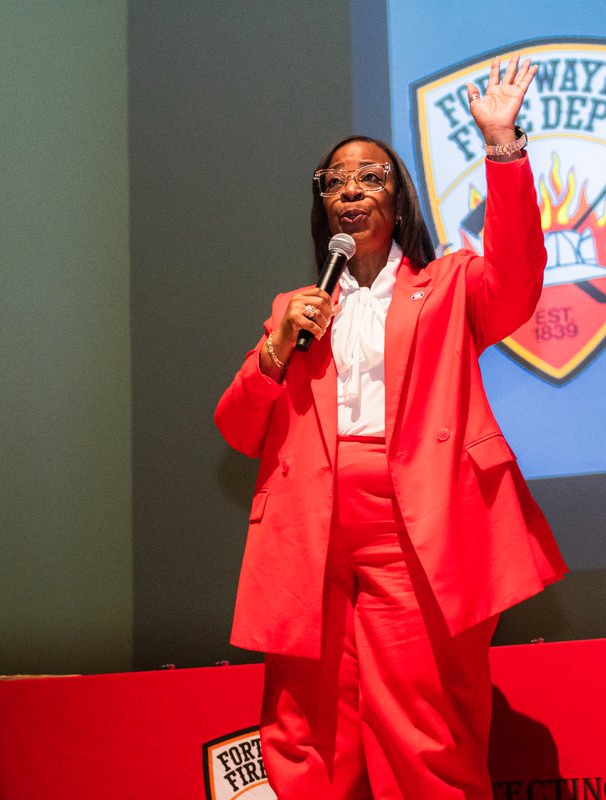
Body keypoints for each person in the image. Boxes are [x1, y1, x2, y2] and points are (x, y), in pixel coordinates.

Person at [214, 53, 568, 799]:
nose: (350, 190)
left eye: (369, 177)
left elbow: (519, 277)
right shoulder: (296, 310)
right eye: (335, 182)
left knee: (424, 725)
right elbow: (240, 428)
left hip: (415, 529)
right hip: (311, 535)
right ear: (324, 211)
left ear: (398, 203)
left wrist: (502, 147)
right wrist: (275, 352)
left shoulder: (449, 287)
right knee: (308, 733)